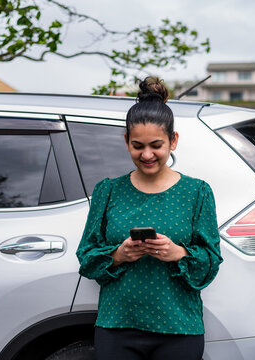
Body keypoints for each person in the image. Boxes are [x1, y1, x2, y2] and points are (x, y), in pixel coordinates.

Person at [76, 76, 223, 360]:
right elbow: (87, 258)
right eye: (137, 145)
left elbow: (210, 264)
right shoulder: (108, 191)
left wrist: (177, 252)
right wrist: (119, 254)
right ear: (126, 142)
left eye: (156, 145)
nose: (146, 154)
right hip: (117, 325)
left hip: (179, 327)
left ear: (173, 141)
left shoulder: (197, 192)